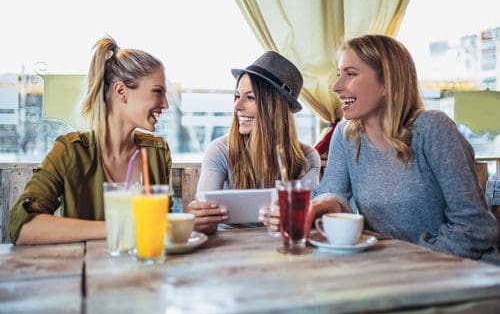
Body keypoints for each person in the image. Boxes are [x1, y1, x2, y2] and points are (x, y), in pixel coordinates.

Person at [305, 34, 497, 259]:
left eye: (351, 74)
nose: (336, 86)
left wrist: (410, 260)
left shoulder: (433, 129)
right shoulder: (346, 134)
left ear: (387, 82)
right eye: (339, 74)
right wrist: (321, 205)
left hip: (460, 268)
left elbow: (475, 227)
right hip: (394, 269)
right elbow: (333, 193)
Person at [8, 36, 171, 245]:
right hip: (83, 273)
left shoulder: (157, 152)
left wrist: (192, 217)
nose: (165, 104)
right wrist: (120, 227)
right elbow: (21, 227)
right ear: (121, 91)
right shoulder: (69, 151)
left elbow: (160, 226)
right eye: (157, 91)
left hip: (146, 271)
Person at [188, 51, 321, 234]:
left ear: (275, 106)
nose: (237, 106)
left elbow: (307, 216)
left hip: (280, 243)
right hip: (228, 245)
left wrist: (294, 218)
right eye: (237, 96)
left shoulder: (307, 157)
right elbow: (203, 219)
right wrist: (199, 218)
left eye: (250, 97)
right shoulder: (219, 150)